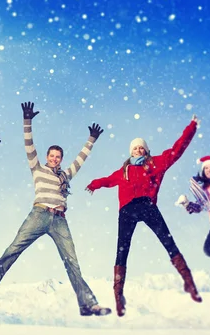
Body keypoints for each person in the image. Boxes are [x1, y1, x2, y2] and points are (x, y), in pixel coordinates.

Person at [0, 102, 111, 317]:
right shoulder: (37, 168)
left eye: (58, 157)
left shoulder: (65, 176)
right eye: (52, 156)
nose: (54, 159)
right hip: (39, 215)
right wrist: (27, 121)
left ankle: (87, 304)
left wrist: (91, 140)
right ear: (47, 157)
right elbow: (29, 145)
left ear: (61, 159)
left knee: (72, 262)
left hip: (59, 219)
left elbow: (81, 160)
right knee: (17, 245)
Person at [85, 115, 203, 317]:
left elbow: (177, 150)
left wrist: (191, 127)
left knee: (168, 242)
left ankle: (188, 281)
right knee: (122, 251)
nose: (138, 150)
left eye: (141, 148)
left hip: (147, 206)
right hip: (127, 212)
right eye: (135, 148)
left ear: (147, 151)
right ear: (130, 152)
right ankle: (118, 294)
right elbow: (107, 180)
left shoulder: (156, 164)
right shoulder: (123, 171)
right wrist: (94, 184)